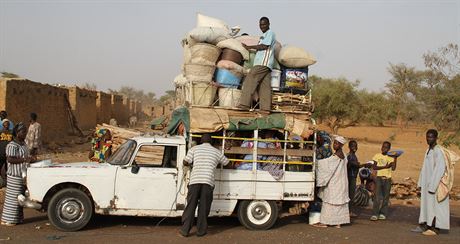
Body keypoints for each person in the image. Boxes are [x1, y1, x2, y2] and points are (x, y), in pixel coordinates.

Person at [180, 134, 229, 237]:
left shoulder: (194, 149)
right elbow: (226, 162)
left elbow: (185, 161)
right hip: (207, 182)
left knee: (191, 206)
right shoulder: (216, 152)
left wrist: (191, 164)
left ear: (201, 141)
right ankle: (201, 231)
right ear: (211, 142)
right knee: (204, 207)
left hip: (195, 181)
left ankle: (185, 230)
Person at [412, 129, 451, 235]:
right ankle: (425, 225)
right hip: (427, 183)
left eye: (431, 137)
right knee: (426, 206)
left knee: (435, 207)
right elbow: (425, 168)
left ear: (436, 138)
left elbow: (439, 169)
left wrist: (432, 186)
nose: (428, 139)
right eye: (427, 137)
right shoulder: (428, 150)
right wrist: (420, 183)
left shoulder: (439, 151)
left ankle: (434, 228)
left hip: (435, 185)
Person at [238, 16, 276, 111]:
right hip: (266, 65)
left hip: (263, 63)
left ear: (268, 24)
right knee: (265, 87)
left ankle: (244, 104)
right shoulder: (263, 36)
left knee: (250, 78)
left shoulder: (270, 33)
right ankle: (265, 109)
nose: (262, 26)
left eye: (264, 24)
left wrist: (249, 47)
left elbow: (264, 46)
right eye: (260, 24)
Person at [1, 122, 35, 226]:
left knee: (20, 198)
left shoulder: (23, 144)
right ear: (17, 132)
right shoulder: (12, 145)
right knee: (13, 198)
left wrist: (31, 159)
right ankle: (8, 220)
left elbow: (25, 157)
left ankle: (18, 219)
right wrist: (25, 159)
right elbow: (10, 159)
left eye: (25, 131)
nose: (25, 133)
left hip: (22, 175)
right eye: (23, 131)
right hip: (14, 176)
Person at [314, 136, 350, 228]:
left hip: (334, 183)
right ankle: (337, 222)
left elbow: (326, 166)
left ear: (341, 145)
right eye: (334, 143)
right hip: (342, 183)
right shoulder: (344, 155)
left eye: (337, 143)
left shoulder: (336, 156)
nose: (334, 145)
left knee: (328, 201)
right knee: (339, 202)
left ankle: (324, 222)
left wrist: (316, 162)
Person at [370, 141, 397, 221]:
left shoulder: (391, 157)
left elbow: (393, 168)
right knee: (377, 197)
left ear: (389, 149)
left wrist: (395, 158)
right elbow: (374, 167)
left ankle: (383, 213)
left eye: (386, 147)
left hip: (387, 179)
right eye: (383, 147)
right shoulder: (377, 156)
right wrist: (385, 166)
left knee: (386, 197)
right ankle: (375, 214)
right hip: (379, 178)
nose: (384, 149)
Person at [347, 140, 360, 217]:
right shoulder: (349, 156)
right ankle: (348, 211)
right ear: (349, 147)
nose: (354, 147)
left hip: (353, 177)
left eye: (355, 146)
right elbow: (348, 166)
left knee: (351, 195)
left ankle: (349, 211)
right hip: (350, 177)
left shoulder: (354, 156)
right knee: (350, 195)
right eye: (352, 146)